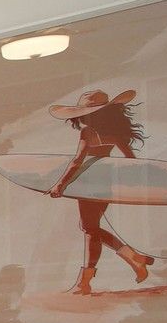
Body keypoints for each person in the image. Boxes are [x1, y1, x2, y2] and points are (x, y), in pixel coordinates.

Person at [47, 89, 155, 295]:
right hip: (105, 185)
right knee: (90, 229)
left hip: (88, 184)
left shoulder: (87, 132)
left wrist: (60, 185)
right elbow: (131, 161)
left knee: (90, 230)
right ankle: (90, 280)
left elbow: (77, 161)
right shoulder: (115, 133)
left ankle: (89, 280)